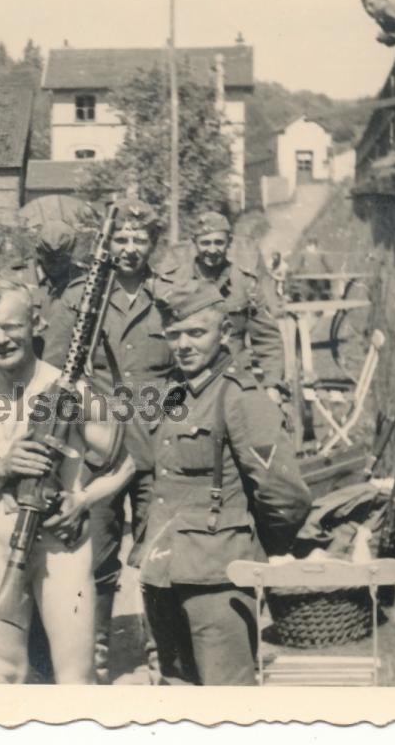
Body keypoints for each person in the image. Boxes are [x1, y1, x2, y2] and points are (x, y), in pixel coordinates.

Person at [0, 278, 135, 685]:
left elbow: (127, 464)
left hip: (61, 547)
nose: (2, 339)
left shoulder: (72, 392)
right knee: (3, 675)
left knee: (75, 678)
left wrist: (83, 499)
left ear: (35, 323)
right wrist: (1, 469)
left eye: (12, 326)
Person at [128, 280, 312, 685]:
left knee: (226, 698)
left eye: (197, 332)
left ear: (225, 332)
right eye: (175, 334)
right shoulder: (172, 393)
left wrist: (254, 545)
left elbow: (286, 495)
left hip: (219, 579)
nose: (184, 345)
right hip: (162, 572)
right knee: (175, 691)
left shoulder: (241, 397)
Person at [41, 201, 172, 684]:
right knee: (95, 552)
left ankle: (161, 656)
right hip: (98, 447)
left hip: (158, 445)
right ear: (108, 242)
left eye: (140, 239)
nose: (130, 248)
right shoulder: (81, 297)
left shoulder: (168, 294)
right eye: (121, 238)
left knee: (159, 549)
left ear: (153, 244)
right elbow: (53, 373)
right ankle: (92, 657)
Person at [155, 210, 286, 402]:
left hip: (234, 380)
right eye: (205, 243)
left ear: (229, 243)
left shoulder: (246, 284)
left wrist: (272, 384)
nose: (212, 249)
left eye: (219, 242)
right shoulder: (175, 283)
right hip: (187, 380)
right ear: (194, 243)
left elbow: (267, 339)